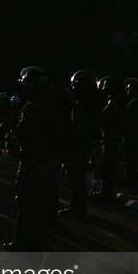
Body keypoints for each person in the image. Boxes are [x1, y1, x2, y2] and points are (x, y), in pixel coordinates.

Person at [6, 66, 64, 250]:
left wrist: (12, 125)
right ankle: (41, 240)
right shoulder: (55, 104)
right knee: (46, 201)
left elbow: (23, 134)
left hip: (35, 159)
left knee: (25, 200)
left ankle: (23, 242)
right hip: (52, 158)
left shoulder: (32, 107)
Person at [60, 69, 100, 217]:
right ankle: (78, 206)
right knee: (78, 176)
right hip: (85, 142)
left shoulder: (83, 103)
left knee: (76, 176)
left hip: (80, 143)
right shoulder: (92, 101)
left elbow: (77, 126)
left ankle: (77, 208)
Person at [93, 76, 125, 200]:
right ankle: (107, 191)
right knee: (109, 166)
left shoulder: (113, 101)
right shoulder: (118, 100)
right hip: (113, 137)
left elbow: (104, 116)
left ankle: (107, 193)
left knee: (108, 167)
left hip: (111, 137)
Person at [120, 77, 138, 187]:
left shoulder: (135, 103)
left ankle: (130, 179)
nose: (128, 92)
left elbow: (131, 118)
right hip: (132, 132)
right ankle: (130, 178)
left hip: (133, 133)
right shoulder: (135, 102)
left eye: (130, 90)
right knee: (130, 157)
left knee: (131, 157)